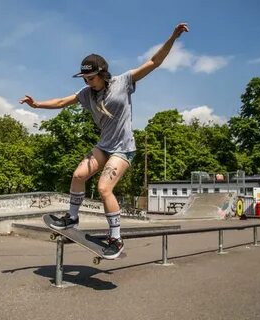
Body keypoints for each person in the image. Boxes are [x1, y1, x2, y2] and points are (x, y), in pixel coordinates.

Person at [19, 23, 189, 259]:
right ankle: (72, 218)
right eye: (85, 78)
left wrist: (173, 36)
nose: (88, 82)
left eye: (91, 78)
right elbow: (61, 102)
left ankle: (116, 239)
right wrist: (37, 104)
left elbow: (154, 62)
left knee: (103, 188)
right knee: (78, 175)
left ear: (102, 74)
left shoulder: (124, 82)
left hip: (123, 149)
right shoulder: (85, 94)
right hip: (104, 145)